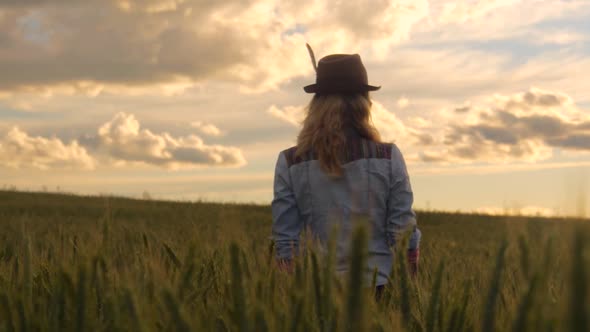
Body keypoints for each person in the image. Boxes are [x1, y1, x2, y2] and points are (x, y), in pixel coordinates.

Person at [271, 46, 421, 298]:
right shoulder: (388, 157)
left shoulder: (289, 162)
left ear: (316, 104)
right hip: (377, 288)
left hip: (314, 292)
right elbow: (402, 232)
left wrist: (290, 298)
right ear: (364, 103)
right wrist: (413, 287)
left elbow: (286, 240)